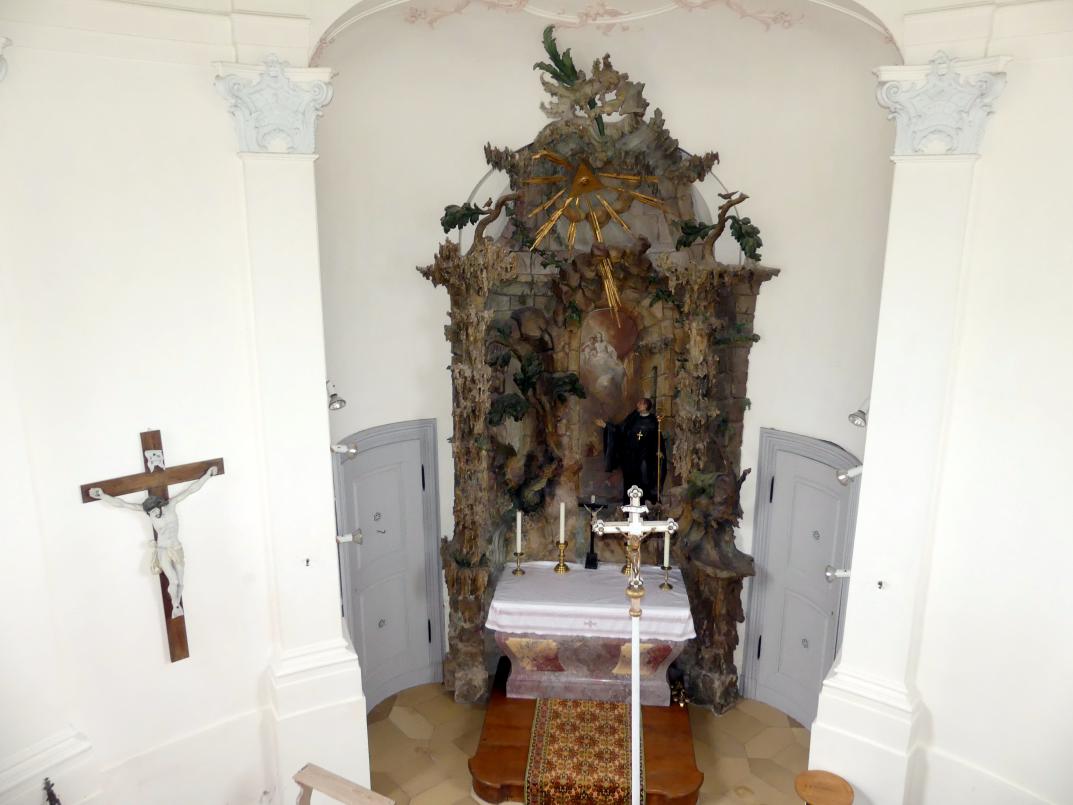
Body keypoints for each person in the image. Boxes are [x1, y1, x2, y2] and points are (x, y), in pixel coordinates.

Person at [89, 466, 217, 618]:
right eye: (149, 513)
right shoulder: (148, 513)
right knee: (174, 581)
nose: (152, 514)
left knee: (181, 583)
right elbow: (122, 504)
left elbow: (191, 489)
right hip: (163, 550)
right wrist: (102, 496)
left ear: (160, 506)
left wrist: (208, 475)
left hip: (176, 548)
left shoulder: (172, 504)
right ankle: (175, 605)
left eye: (154, 511)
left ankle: (176, 604)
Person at [596, 398, 669, 505]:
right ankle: (628, 507)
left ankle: (645, 506)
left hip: (645, 458)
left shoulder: (653, 421)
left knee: (644, 481)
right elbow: (620, 429)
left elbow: (657, 439)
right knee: (630, 482)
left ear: (645, 406)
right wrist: (606, 426)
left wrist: (659, 451)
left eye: (640, 403)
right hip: (630, 458)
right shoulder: (633, 417)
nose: (637, 404)